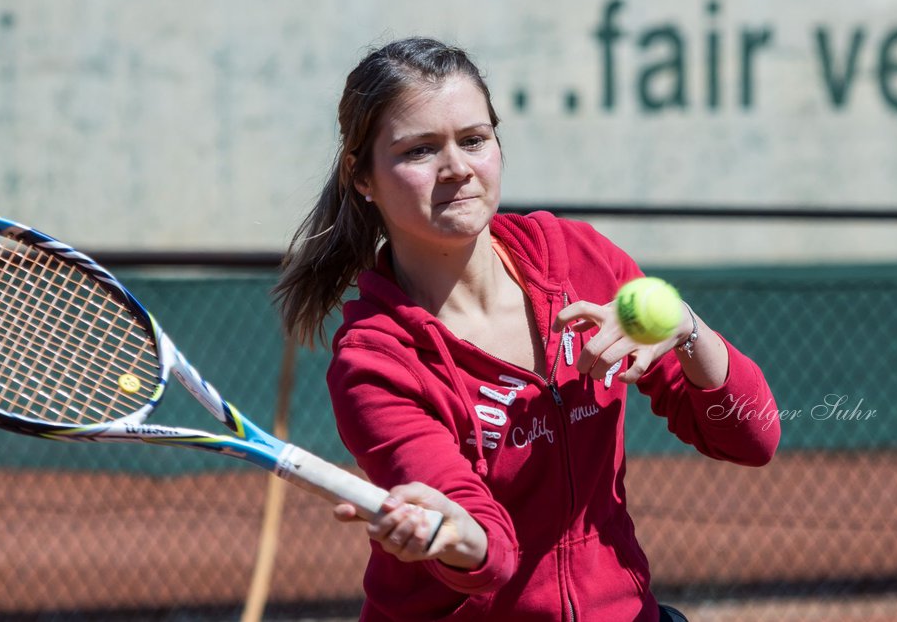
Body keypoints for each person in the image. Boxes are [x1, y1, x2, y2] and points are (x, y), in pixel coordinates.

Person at [275, 37, 780, 621]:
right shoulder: (376, 360)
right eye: (419, 151)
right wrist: (451, 533)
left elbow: (753, 438)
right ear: (362, 177)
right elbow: (490, 554)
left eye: (474, 140)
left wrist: (687, 329)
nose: (457, 168)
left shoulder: (578, 259)